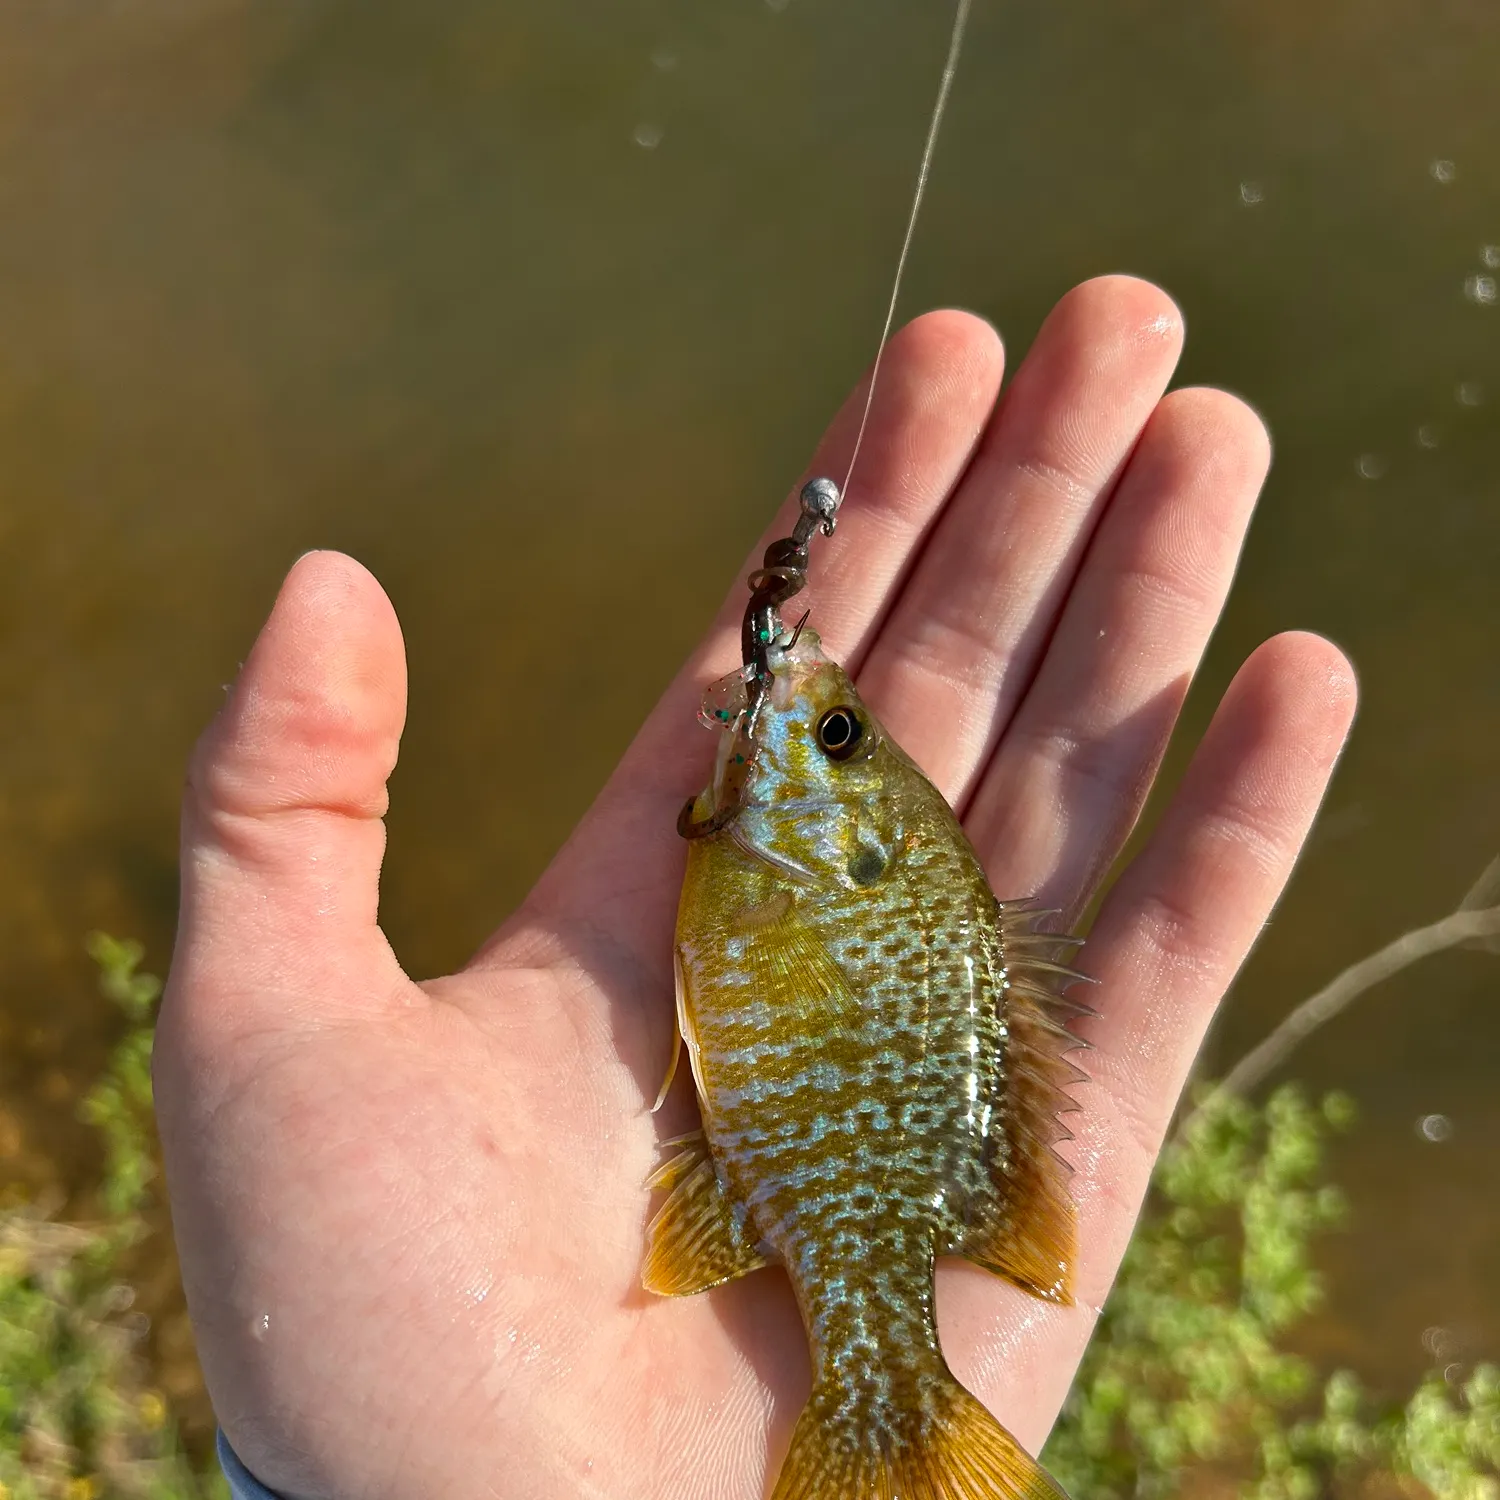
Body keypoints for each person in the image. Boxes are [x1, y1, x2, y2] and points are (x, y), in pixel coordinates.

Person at [153, 277, 1358, 1500]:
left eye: (834, 741)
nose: (815, 711)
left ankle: (895, 1414)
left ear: (860, 848)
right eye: (847, 735)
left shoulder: (785, 870)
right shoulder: (783, 863)